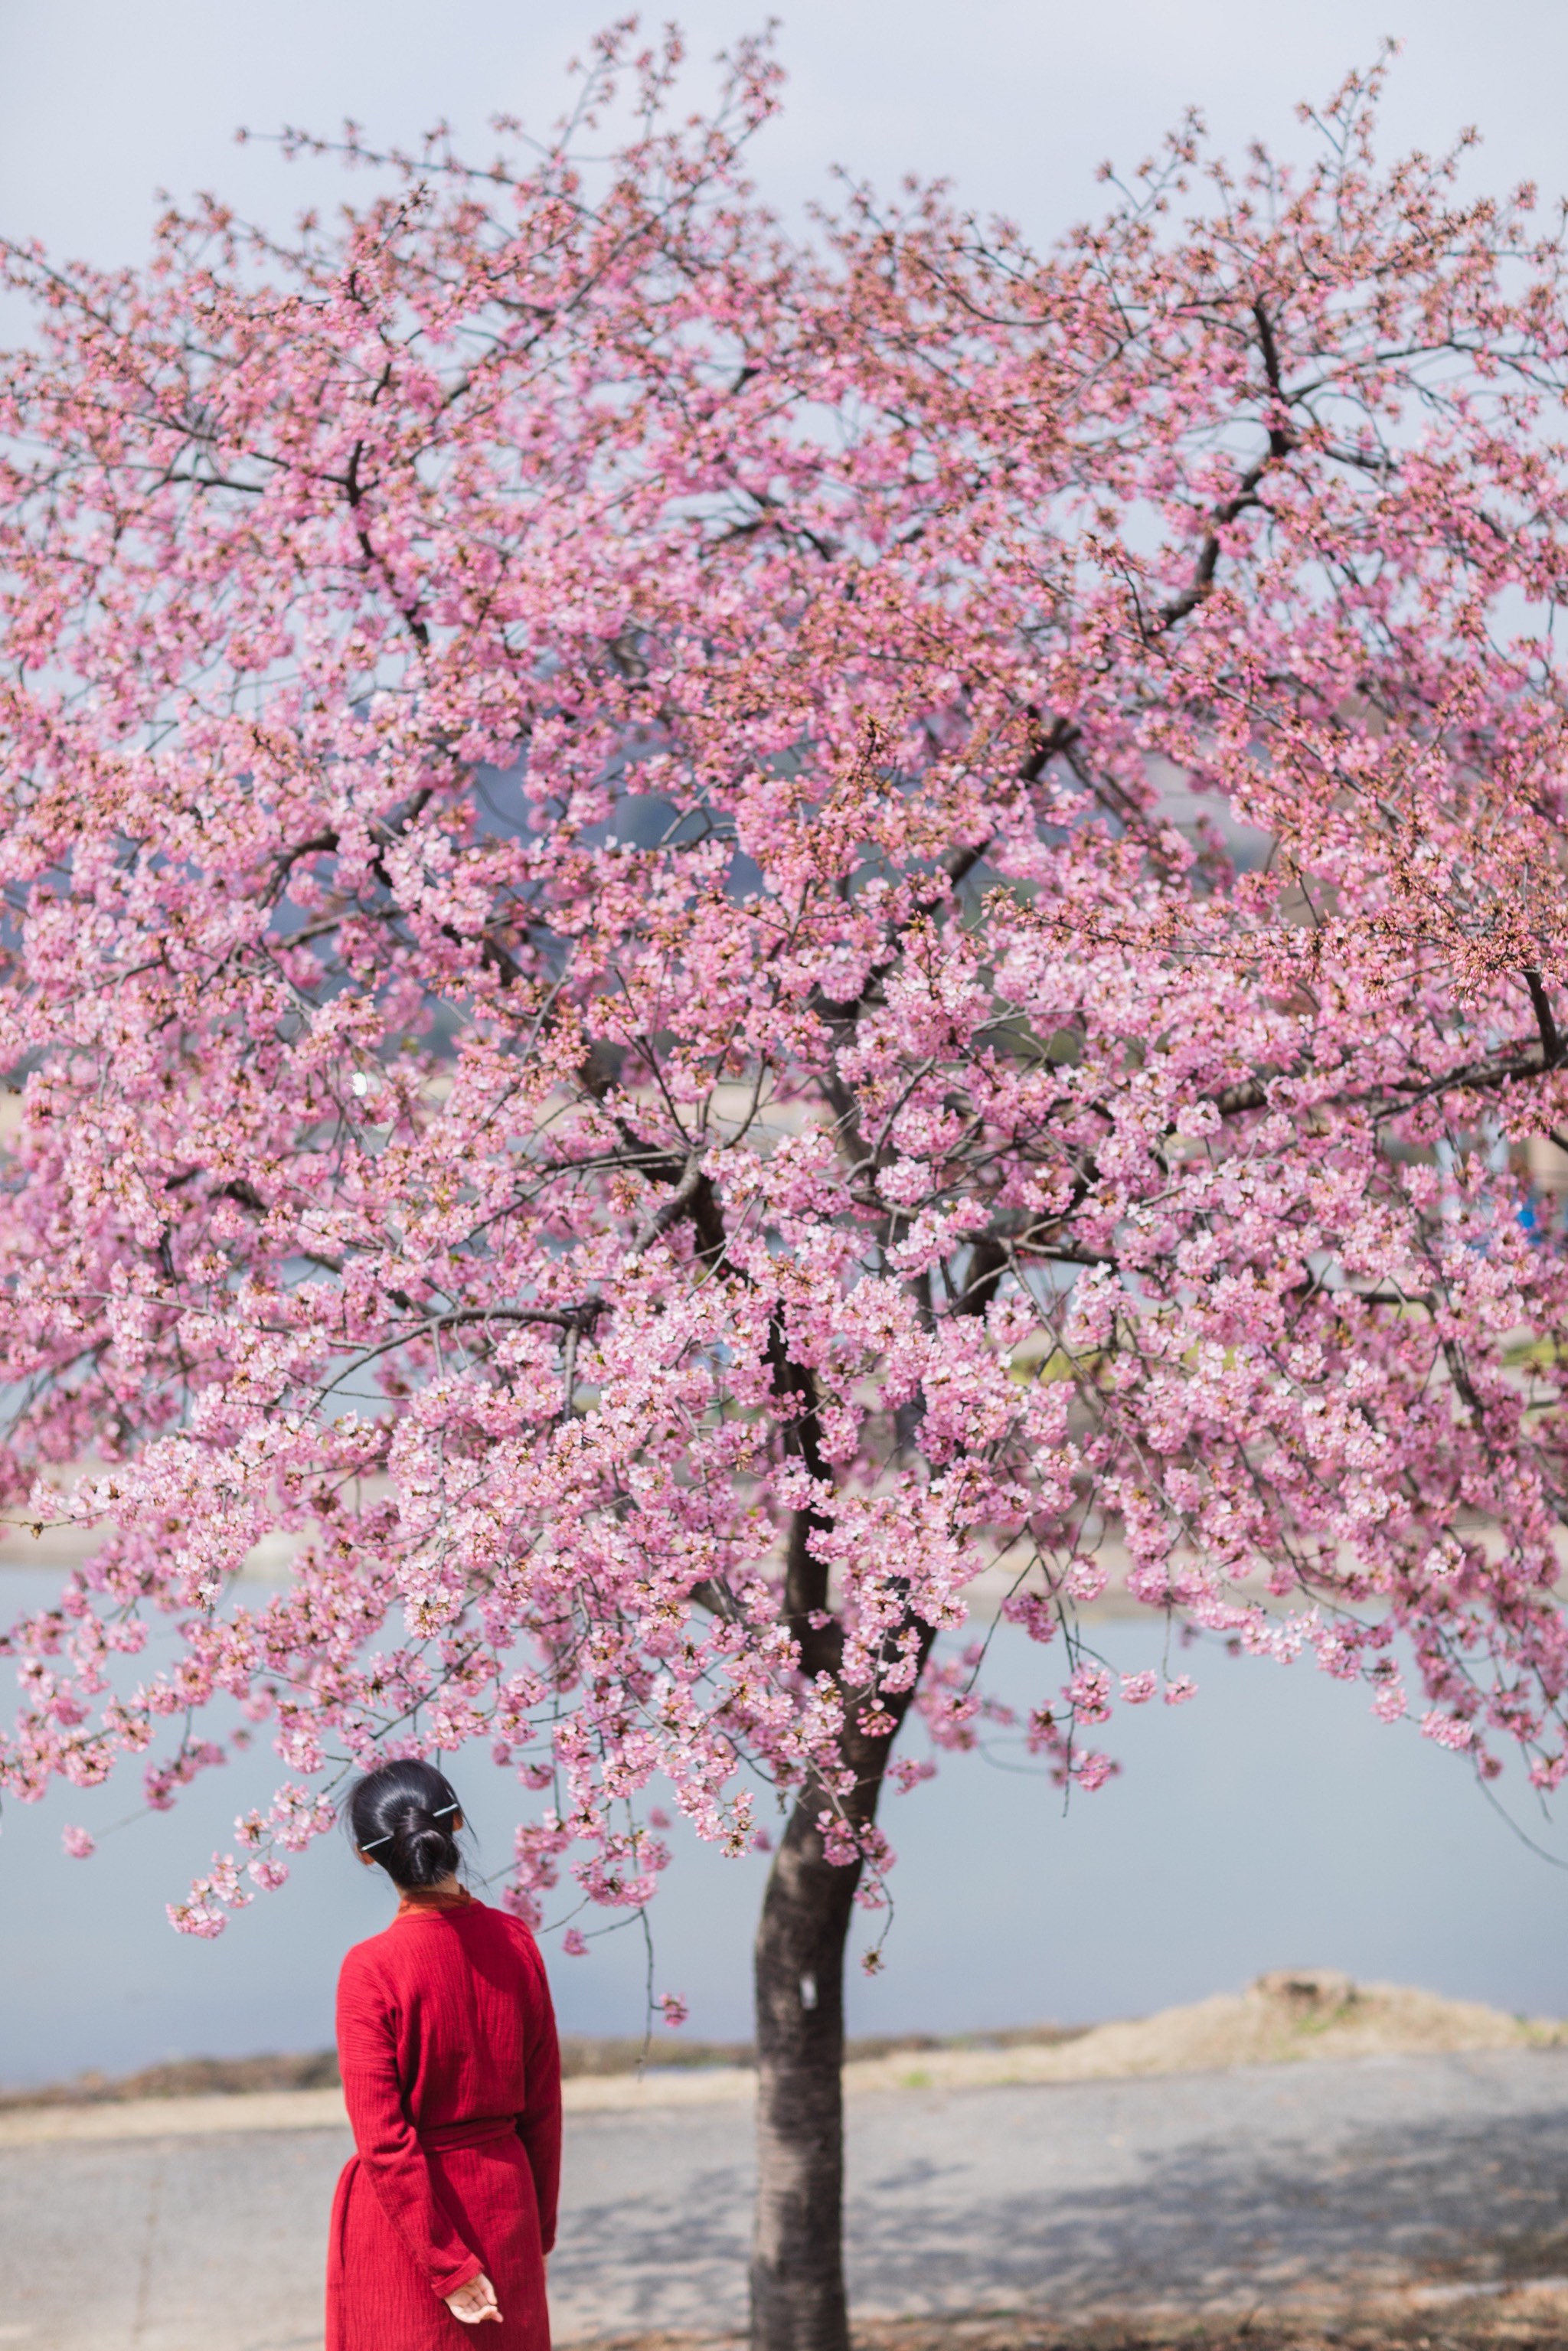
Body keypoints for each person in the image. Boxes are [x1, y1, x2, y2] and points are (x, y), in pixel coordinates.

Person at [326, 1758, 562, 2349]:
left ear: (365, 1854)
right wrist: (537, 2228)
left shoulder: (370, 1968)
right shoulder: (517, 1941)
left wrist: (446, 2264)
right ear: (456, 1821)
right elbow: (543, 2107)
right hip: (509, 2205)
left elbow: (383, 2140)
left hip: (410, 2229)